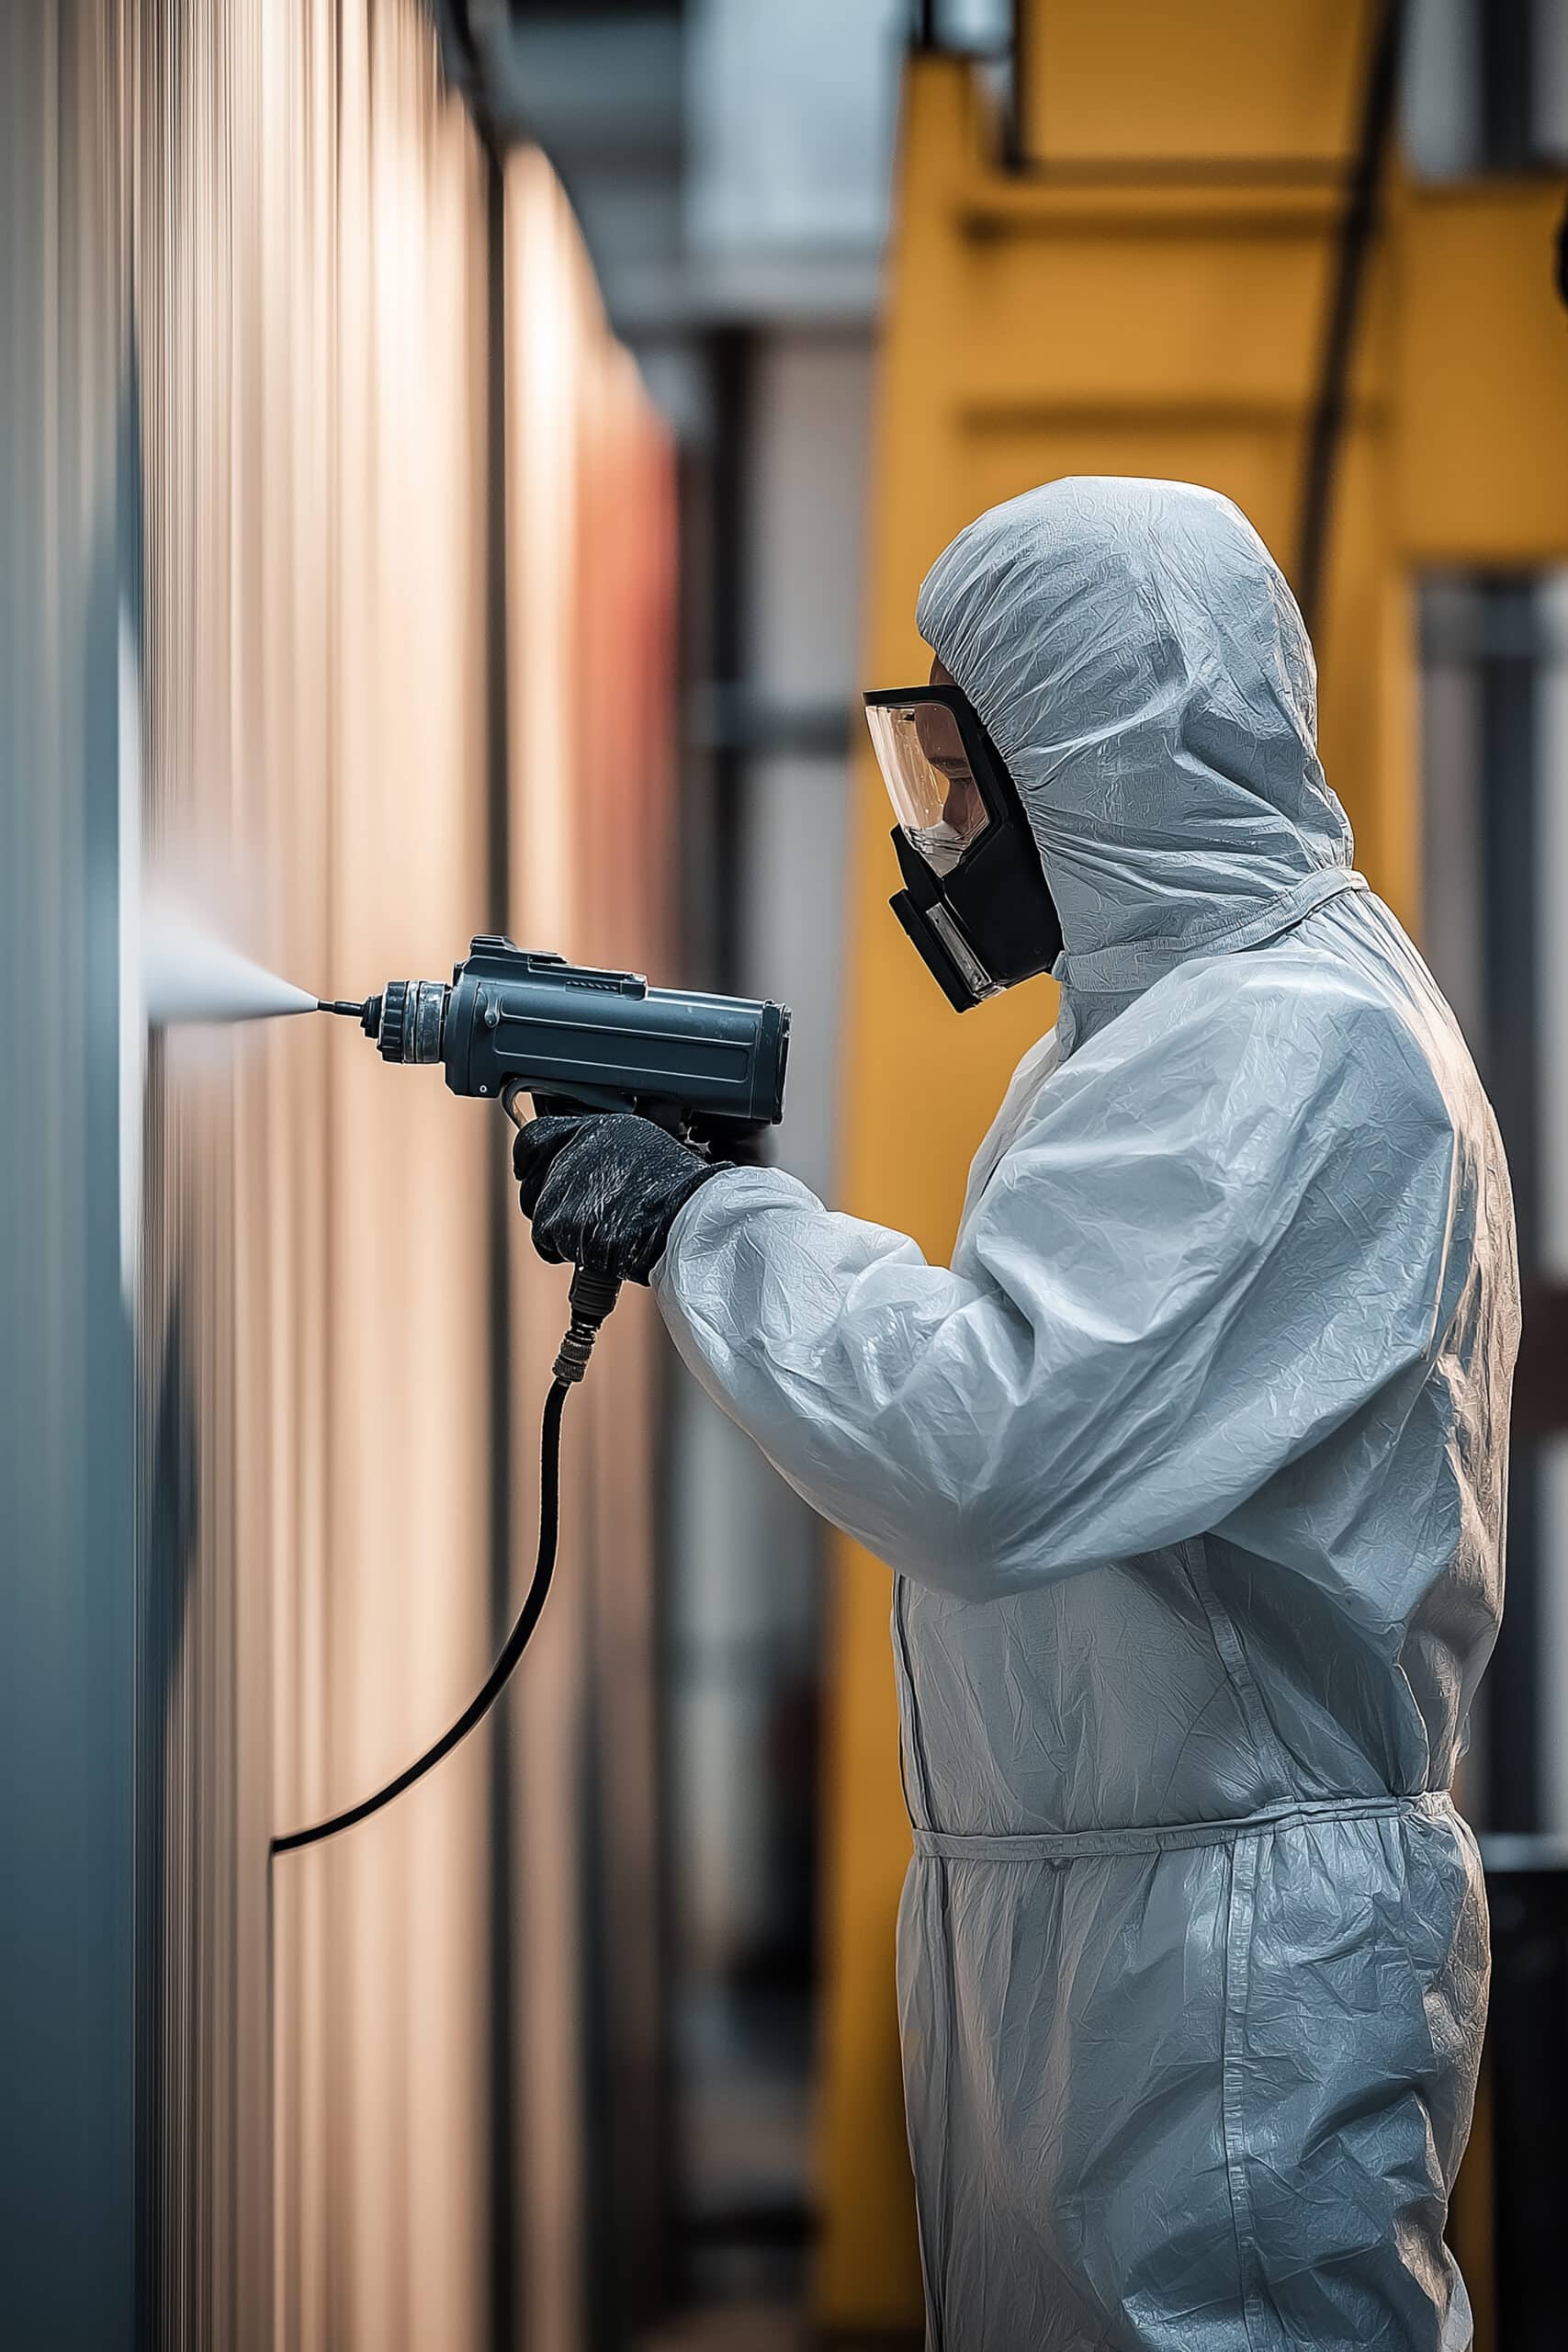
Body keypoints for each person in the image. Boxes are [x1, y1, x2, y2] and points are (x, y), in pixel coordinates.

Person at [514, 477, 1517, 2350]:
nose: (939, 842)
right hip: (1114, 1925)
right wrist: (732, 1218)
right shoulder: (1167, 1031)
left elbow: (987, 1439)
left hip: (1215, 1975)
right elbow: (1038, 1370)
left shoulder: (1282, 1047)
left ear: (1101, 763)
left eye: (964, 781)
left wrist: (702, 1220)